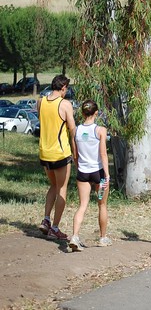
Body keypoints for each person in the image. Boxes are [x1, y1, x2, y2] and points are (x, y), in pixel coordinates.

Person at [37, 74, 77, 240]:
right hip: (60, 153)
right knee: (62, 189)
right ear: (63, 88)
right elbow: (72, 129)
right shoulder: (65, 104)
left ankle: (46, 219)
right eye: (66, 89)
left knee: (53, 185)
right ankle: (55, 227)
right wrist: (76, 152)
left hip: (44, 152)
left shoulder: (41, 101)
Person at [69, 100, 112, 251]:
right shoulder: (100, 130)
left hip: (83, 172)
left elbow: (75, 154)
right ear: (96, 113)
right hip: (98, 173)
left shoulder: (75, 131)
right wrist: (107, 175)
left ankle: (74, 236)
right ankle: (102, 237)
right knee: (102, 204)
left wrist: (78, 167)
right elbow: (103, 154)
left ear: (82, 113)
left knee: (82, 205)